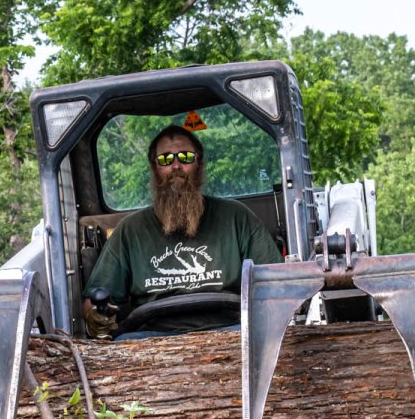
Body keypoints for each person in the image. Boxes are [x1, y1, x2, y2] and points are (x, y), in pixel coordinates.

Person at [82, 124, 282, 337]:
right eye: (165, 159)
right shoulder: (130, 230)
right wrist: (95, 316)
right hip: (150, 339)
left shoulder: (236, 217)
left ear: (199, 164)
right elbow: (93, 302)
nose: (176, 166)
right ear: (155, 168)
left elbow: (277, 282)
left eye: (185, 157)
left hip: (232, 331)